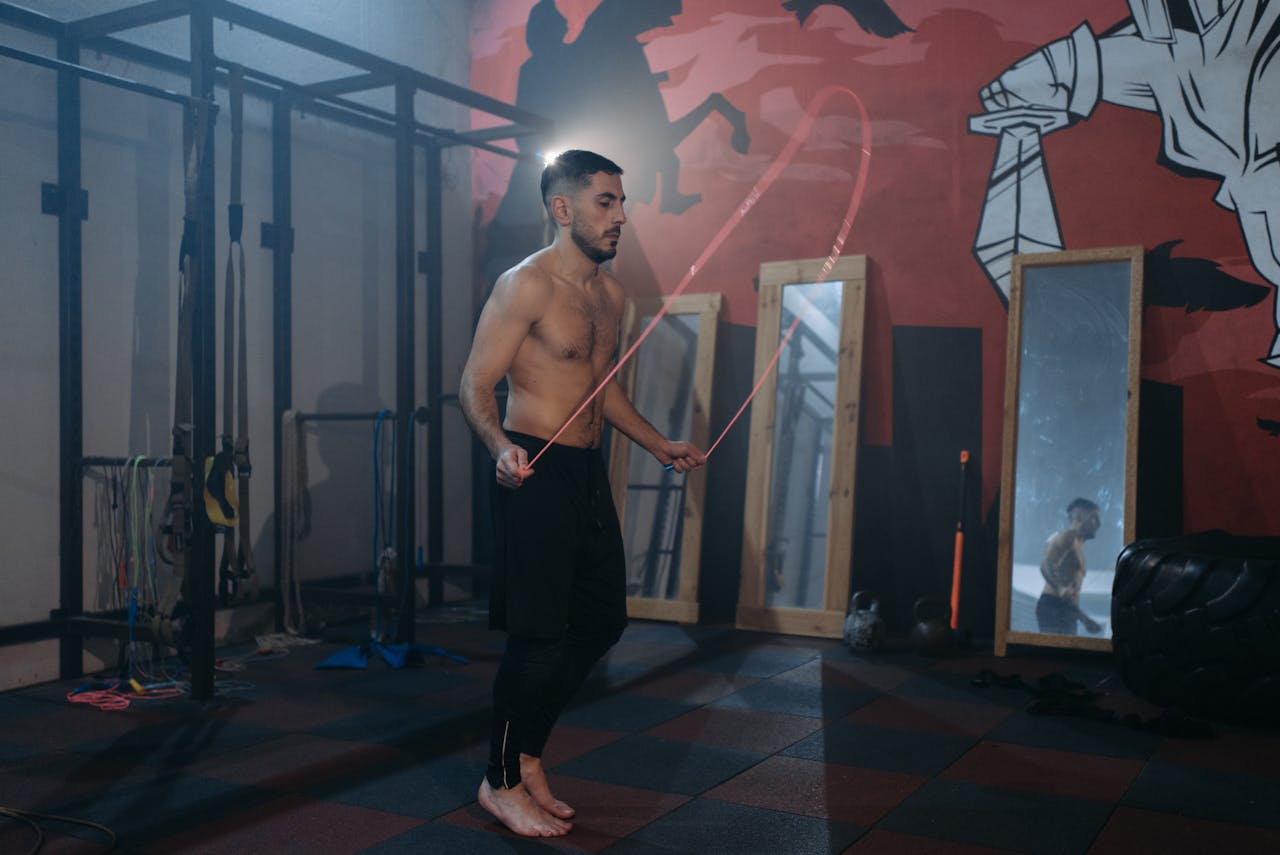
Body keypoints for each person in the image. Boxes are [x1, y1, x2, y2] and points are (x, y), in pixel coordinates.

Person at [459, 149, 706, 838]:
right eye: (606, 201)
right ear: (562, 208)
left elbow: (601, 386)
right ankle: (500, 779)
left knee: (602, 621)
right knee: (537, 637)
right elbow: (475, 384)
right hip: (531, 465)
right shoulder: (524, 286)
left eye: (622, 202)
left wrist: (656, 442)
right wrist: (500, 449)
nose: (621, 216)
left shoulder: (611, 295)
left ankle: (528, 752)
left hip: (587, 472)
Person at [1036, 497, 1103, 635]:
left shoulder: (1078, 548)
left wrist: (1085, 620)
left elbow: (1068, 597)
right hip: (1051, 606)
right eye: (1093, 518)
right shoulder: (1066, 537)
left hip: (1065, 610)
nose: (1098, 524)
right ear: (1079, 517)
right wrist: (1061, 588)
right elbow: (1045, 565)